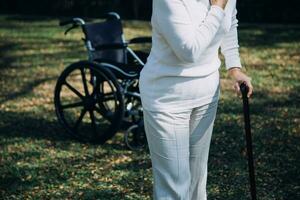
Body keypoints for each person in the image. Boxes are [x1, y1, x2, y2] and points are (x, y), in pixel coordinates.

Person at [138, 0, 253, 199]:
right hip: (167, 98)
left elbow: (230, 22)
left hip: (206, 94)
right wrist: (217, 7)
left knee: (197, 181)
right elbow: (188, 51)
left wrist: (234, 68)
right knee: (174, 187)